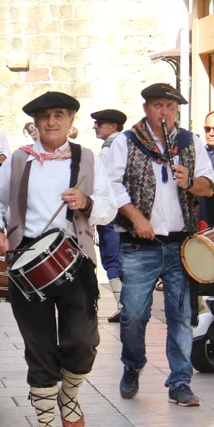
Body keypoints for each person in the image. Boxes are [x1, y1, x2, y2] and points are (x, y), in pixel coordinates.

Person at [0, 92, 117, 427]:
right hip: (27, 260)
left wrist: (86, 202)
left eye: (59, 115)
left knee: (83, 341)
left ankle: (68, 396)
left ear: (71, 121)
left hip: (76, 258)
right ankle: (44, 423)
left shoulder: (87, 158)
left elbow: (109, 207)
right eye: (45, 116)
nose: (51, 122)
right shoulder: (19, 159)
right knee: (38, 344)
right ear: (35, 123)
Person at [107, 83, 214, 408]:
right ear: (146, 109)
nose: (164, 112)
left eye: (170, 107)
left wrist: (190, 182)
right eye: (158, 106)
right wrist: (136, 218)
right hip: (139, 244)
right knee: (134, 315)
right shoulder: (127, 141)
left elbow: (209, 186)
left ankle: (180, 382)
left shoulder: (190, 142)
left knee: (181, 316)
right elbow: (111, 185)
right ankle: (133, 364)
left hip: (181, 243)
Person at [92, 108, 128, 323]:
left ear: (113, 126)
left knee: (111, 257)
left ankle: (124, 305)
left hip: (112, 211)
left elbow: (102, 183)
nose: (95, 127)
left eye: (99, 123)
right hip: (127, 211)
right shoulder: (128, 144)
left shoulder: (108, 149)